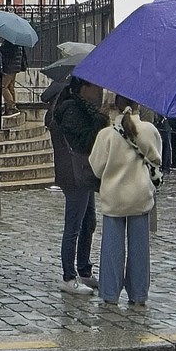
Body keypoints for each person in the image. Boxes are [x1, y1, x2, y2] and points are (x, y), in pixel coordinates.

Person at [86, 94, 164, 311]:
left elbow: (96, 167)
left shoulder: (106, 135)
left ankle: (110, 293)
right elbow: (157, 160)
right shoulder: (149, 131)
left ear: (115, 107)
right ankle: (139, 293)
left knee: (112, 246)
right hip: (140, 194)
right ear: (137, 105)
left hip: (114, 195)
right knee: (140, 247)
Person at [48, 76, 104, 288]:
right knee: (74, 224)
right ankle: (68, 276)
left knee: (88, 222)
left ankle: (84, 269)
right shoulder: (71, 109)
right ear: (84, 87)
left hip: (83, 172)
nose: (99, 90)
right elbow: (83, 141)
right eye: (96, 86)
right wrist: (100, 120)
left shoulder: (83, 108)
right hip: (73, 173)